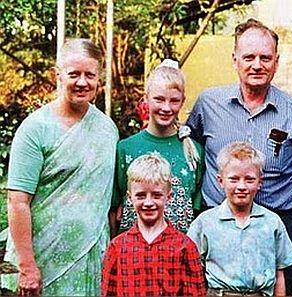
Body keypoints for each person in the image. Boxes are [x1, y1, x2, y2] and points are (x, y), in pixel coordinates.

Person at [186, 19, 292, 295]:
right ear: (235, 59)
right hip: (218, 233)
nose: (257, 65)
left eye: (265, 57)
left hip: (278, 232)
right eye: (249, 57)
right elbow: (187, 150)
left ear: (276, 61)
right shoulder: (208, 104)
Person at [2, 38, 119, 295]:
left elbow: (109, 201)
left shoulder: (107, 129)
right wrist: (27, 266)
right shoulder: (35, 129)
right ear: (57, 75)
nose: (82, 82)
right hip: (42, 262)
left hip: (91, 259)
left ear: (99, 78)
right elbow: (17, 202)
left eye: (90, 75)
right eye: (73, 74)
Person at [188, 142, 292, 296]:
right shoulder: (205, 223)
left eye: (249, 179)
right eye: (234, 179)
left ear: (260, 182)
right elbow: (191, 270)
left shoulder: (272, 222)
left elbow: (279, 272)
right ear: (220, 181)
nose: (241, 186)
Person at [111, 59, 204, 235]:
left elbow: (197, 211)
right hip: (133, 256)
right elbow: (114, 211)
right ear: (146, 99)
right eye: (159, 100)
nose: (166, 108)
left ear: (183, 101)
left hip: (179, 256)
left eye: (174, 101)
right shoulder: (125, 149)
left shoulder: (194, 152)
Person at [102, 153, 207, 296]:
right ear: (130, 197)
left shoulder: (185, 247)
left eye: (156, 195)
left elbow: (195, 293)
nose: (148, 203)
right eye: (140, 195)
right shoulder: (117, 247)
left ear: (168, 197)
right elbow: (109, 293)